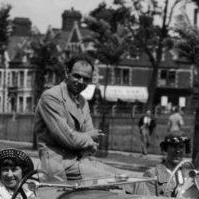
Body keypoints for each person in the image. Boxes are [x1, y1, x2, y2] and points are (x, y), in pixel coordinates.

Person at [33, 55, 144, 187]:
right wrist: (87, 138)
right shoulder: (51, 97)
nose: (81, 82)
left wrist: (86, 140)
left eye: (86, 79)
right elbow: (68, 138)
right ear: (67, 72)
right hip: (59, 163)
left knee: (136, 178)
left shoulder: (82, 101)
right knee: (118, 181)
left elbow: (92, 141)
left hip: (82, 160)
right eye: (77, 76)